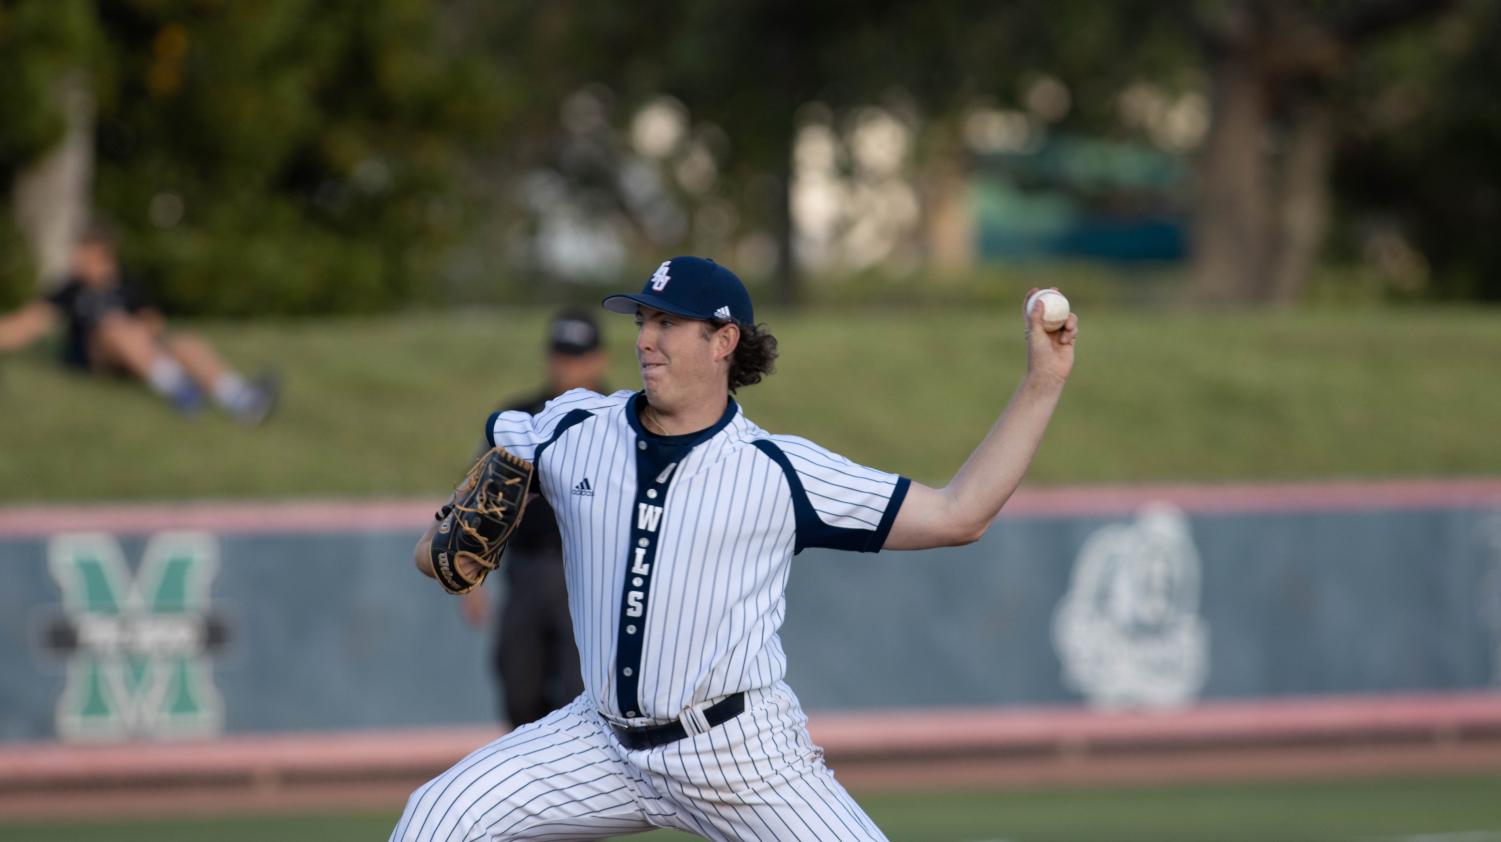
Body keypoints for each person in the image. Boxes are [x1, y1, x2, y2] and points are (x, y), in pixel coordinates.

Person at [395, 256, 1078, 841]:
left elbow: (959, 514)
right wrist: (442, 539)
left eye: (667, 323)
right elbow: (467, 502)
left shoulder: (777, 472)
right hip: (597, 740)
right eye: (641, 321)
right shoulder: (574, 423)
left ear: (723, 340)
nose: (646, 340)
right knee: (435, 819)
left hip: (736, 751)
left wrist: (1041, 382)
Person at [459, 308, 608, 728]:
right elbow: (479, 501)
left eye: (578, 357)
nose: (569, 367)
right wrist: (470, 578)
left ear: (599, 359)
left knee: (580, 697)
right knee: (518, 689)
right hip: (526, 570)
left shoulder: (622, 418)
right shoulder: (521, 418)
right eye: (561, 356)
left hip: (589, 577)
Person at [0, 223, 278, 424]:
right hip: (97, 355)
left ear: (102, 254)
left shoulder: (128, 286)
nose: (76, 259)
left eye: (83, 252)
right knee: (114, 326)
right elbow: (26, 324)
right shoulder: (70, 290)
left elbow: (153, 323)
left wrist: (143, 334)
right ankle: (178, 388)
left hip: (138, 351)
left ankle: (239, 398)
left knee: (186, 341)